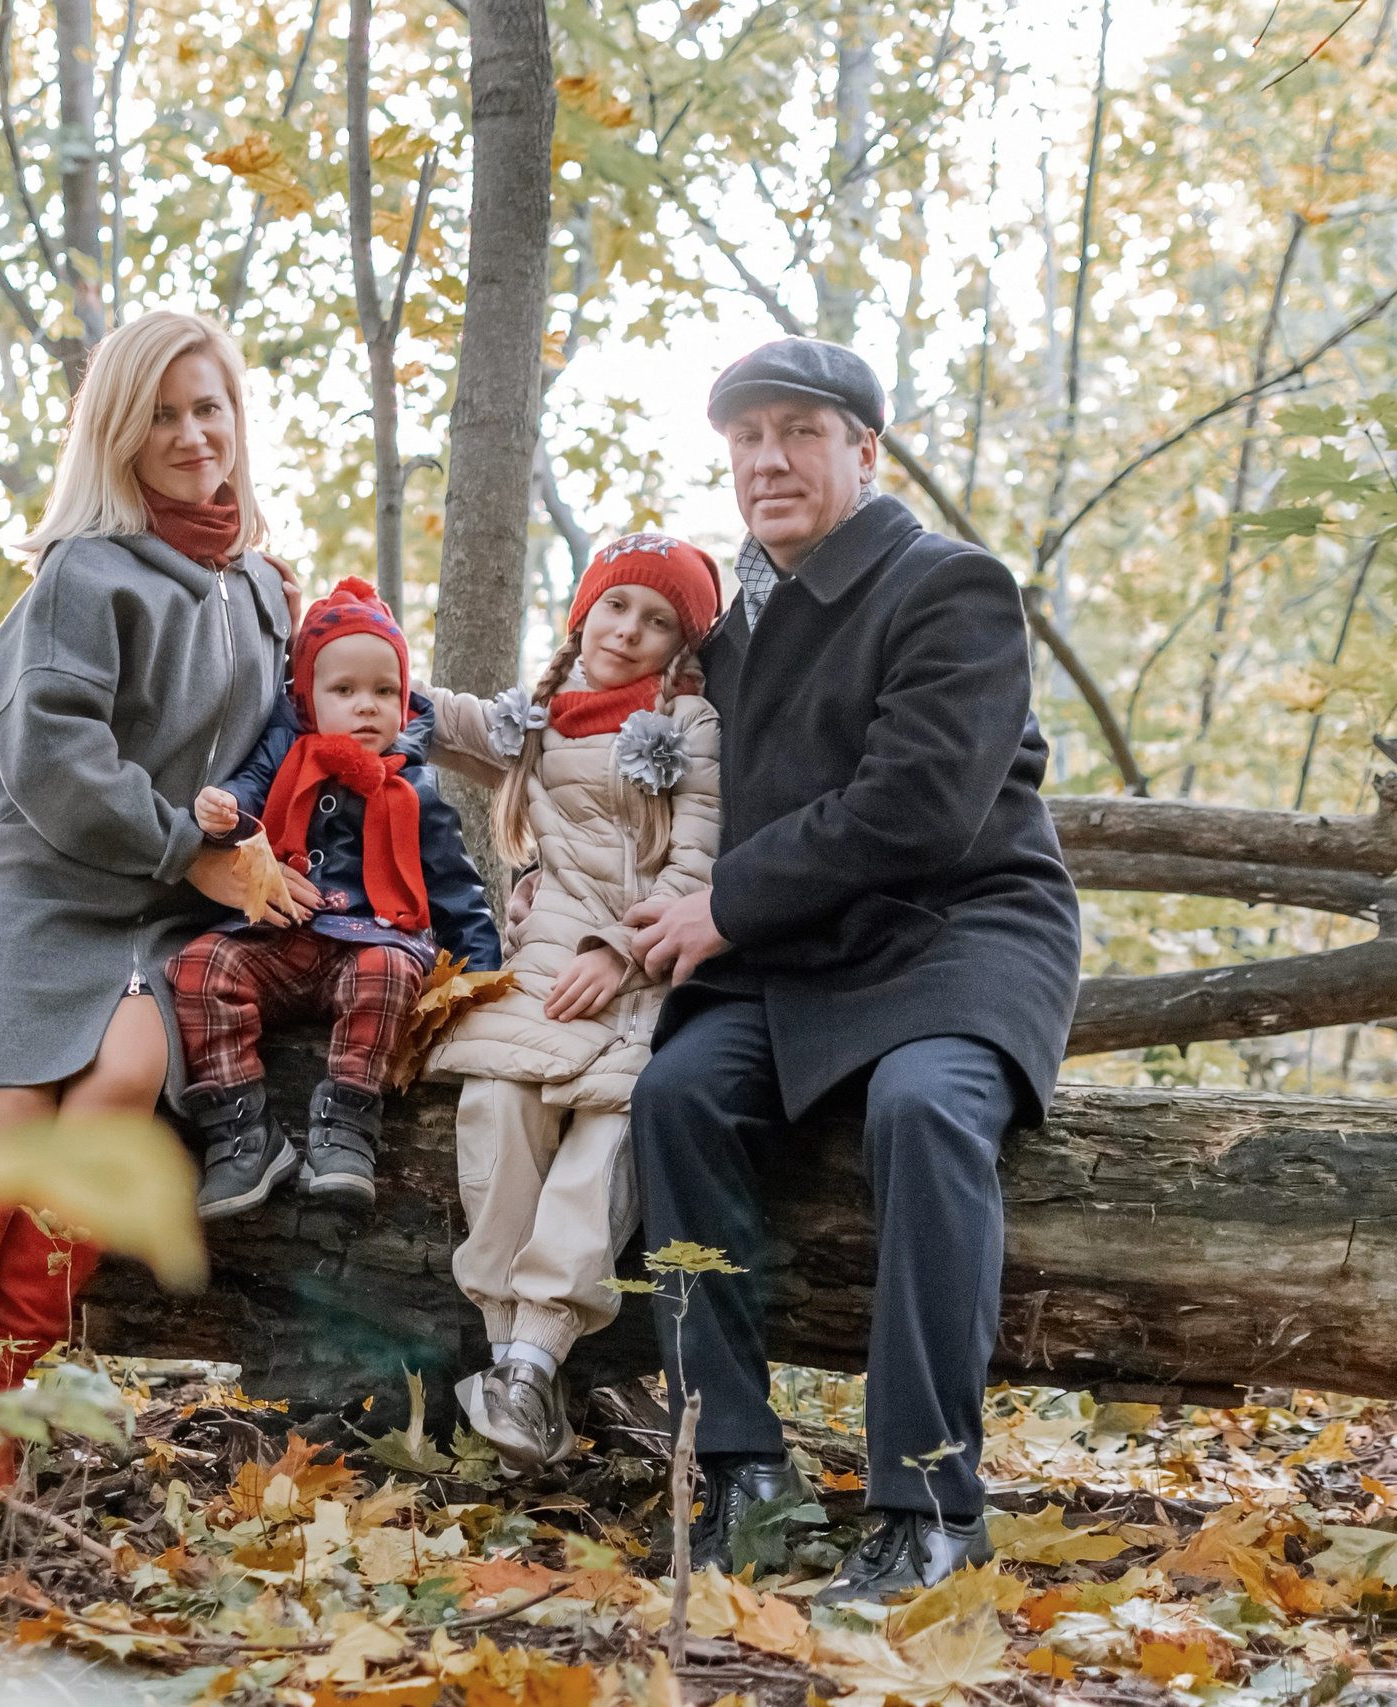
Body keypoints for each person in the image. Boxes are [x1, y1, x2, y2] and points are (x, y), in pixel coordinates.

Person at [625, 338, 1082, 1601]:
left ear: (864, 453)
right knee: (671, 1102)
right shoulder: (721, 625)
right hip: (788, 957)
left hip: (957, 934)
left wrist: (723, 905)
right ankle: (741, 1472)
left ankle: (930, 1507)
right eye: (745, 439)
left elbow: (921, 807)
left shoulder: (949, 586)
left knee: (924, 1109)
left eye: (798, 433)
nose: (766, 460)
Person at [0, 311, 315, 1512]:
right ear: (118, 435)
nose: (192, 436)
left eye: (210, 408)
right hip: (52, 879)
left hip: (171, 909)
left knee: (127, 1080)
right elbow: (53, 757)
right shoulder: (87, 570)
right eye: (163, 415)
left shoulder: (266, 589)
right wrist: (189, 853)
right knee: (6, 1108)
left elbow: (285, 747)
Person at [420, 534, 725, 1473]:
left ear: (681, 641)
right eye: (616, 606)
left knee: (607, 1129)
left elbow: (698, 865)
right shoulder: (540, 719)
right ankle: (517, 1363)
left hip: (643, 977)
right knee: (498, 1107)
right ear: (582, 611)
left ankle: (535, 1353)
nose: (628, 631)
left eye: (657, 619)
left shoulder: (690, 727)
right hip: (543, 974)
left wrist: (624, 951)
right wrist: (330, 630)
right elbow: (431, 712)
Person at [171, 577, 500, 1217]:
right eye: (343, 691)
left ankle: (347, 1122)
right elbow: (249, 790)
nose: (366, 706)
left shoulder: (416, 791)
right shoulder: (288, 755)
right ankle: (241, 1131)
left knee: (389, 969)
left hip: (371, 941)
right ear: (308, 700)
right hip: (280, 939)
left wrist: (481, 981)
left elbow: (459, 890)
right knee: (200, 965)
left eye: (384, 691)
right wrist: (225, 811)